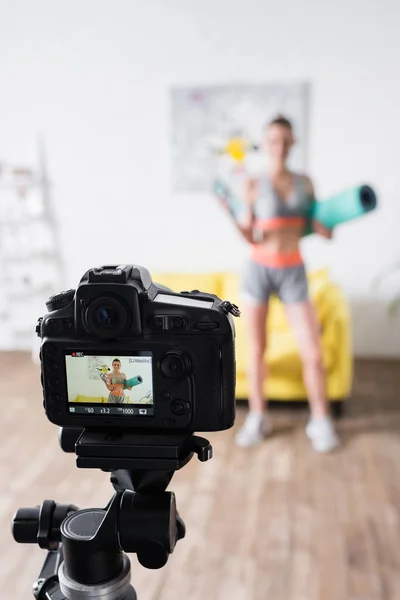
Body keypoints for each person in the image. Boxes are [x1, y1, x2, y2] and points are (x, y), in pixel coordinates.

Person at [232, 115, 339, 453]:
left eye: (286, 140)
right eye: (274, 140)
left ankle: (320, 420)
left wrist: (326, 226)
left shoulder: (305, 183)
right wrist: (242, 223)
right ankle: (258, 416)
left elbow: (318, 226)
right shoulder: (252, 184)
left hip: (293, 269)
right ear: (266, 144)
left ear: (293, 144)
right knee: (257, 350)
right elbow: (249, 235)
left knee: (313, 351)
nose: (280, 146)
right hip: (260, 268)